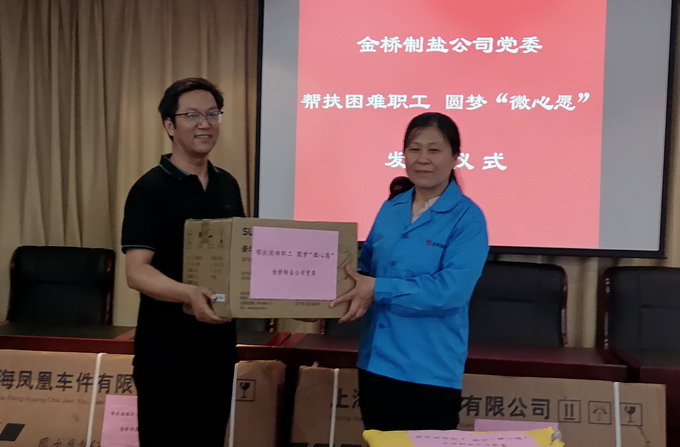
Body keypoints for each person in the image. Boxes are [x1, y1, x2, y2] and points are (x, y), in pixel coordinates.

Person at [331, 112, 489, 431]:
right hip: (376, 362)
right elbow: (364, 271)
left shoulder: (468, 218)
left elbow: (451, 290)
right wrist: (318, 298)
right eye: (414, 149)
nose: (422, 159)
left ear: (455, 158)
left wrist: (378, 289)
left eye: (434, 150)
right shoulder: (391, 208)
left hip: (429, 369)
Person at [121, 78, 245, 446]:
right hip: (166, 352)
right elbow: (136, 272)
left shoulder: (227, 184)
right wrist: (188, 293)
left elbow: (240, 257)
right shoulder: (150, 189)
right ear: (169, 125)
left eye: (212, 114)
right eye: (192, 115)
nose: (204, 124)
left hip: (218, 347)